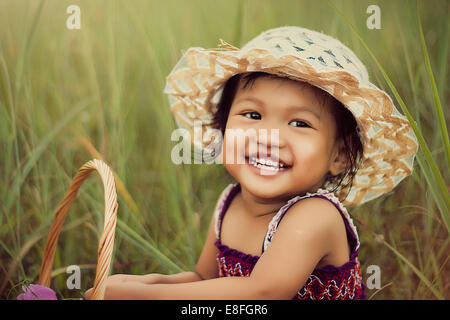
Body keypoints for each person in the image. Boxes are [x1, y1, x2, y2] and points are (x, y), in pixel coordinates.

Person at [85, 26, 418, 300]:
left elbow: (262, 292)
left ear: (339, 156)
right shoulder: (229, 204)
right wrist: (145, 285)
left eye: (300, 123)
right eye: (253, 115)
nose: (269, 137)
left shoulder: (316, 215)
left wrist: (144, 299)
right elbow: (203, 279)